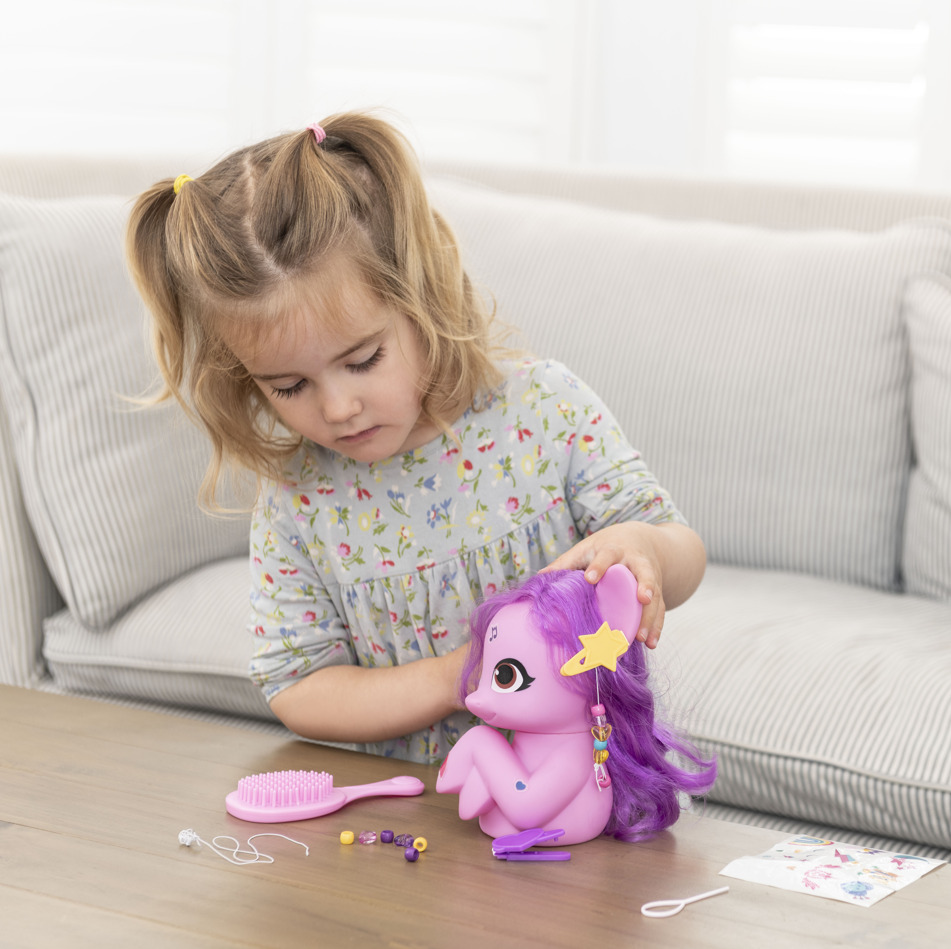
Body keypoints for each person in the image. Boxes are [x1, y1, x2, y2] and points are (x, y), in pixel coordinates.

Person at [126, 111, 706, 764]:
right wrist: (460, 673)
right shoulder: (299, 501)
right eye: (289, 386)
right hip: (420, 811)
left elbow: (682, 551)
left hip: (593, 784)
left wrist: (646, 550)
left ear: (422, 295)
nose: (338, 408)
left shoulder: (544, 409)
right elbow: (299, 687)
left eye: (363, 359)